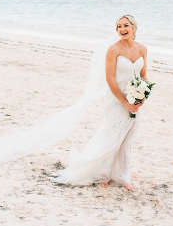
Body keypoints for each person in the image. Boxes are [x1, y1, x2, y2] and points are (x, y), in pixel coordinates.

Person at [53, 14, 149, 191]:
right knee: (112, 137)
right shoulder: (114, 49)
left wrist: (142, 96)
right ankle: (103, 175)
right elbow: (110, 79)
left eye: (126, 25)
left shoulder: (142, 49)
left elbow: (143, 76)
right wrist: (124, 102)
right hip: (116, 98)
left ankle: (122, 176)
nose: (122, 29)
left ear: (134, 27)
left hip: (135, 100)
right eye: (119, 26)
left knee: (128, 139)